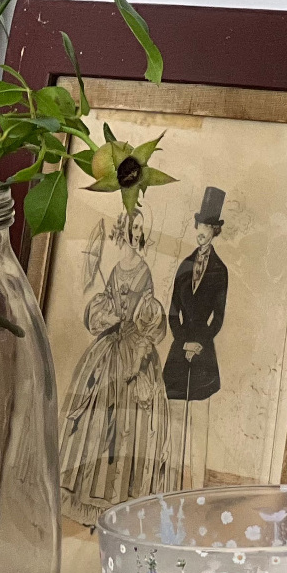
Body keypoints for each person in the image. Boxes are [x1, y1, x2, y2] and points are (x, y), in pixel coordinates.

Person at [59, 213, 173, 524]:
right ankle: (87, 497)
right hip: (109, 348)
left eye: (140, 228)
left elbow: (147, 315)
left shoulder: (144, 270)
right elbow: (109, 304)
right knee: (96, 415)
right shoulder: (114, 267)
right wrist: (108, 312)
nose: (137, 232)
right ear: (123, 229)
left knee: (127, 423)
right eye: (133, 226)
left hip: (133, 348)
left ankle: (120, 500)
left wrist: (137, 350)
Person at [164, 187, 228, 403]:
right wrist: (184, 343)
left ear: (215, 230)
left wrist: (199, 343)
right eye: (200, 224)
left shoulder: (220, 270)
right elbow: (173, 311)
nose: (202, 231)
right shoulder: (185, 265)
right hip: (179, 347)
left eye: (208, 226)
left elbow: (218, 317)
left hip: (204, 351)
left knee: (200, 406)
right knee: (174, 404)